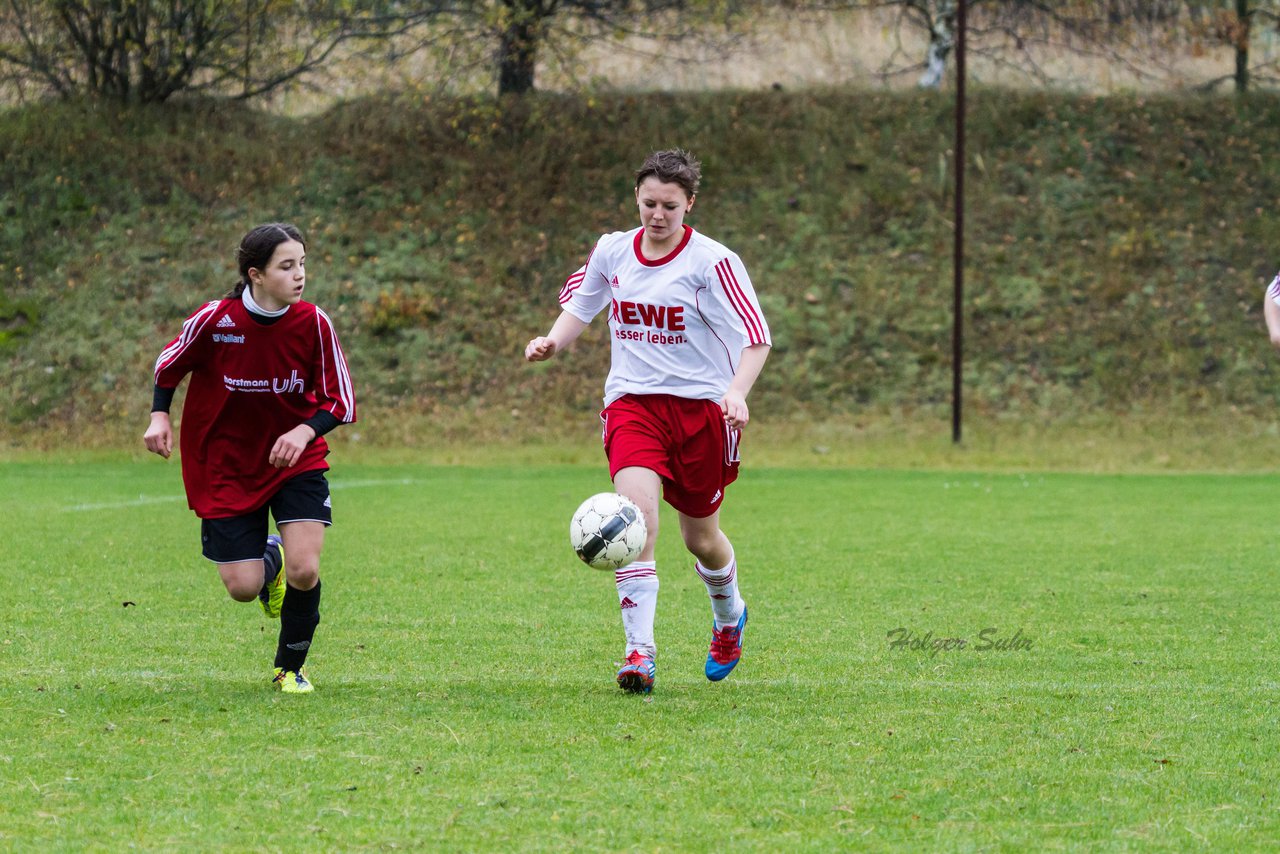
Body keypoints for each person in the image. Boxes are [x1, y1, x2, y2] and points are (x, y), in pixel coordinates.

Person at [525, 149, 772, 694]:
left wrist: (737, 393)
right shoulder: (613, 251)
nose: (657, 215)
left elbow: (757, 337)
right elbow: (582, 305)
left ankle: (729, 618)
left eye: (669, 206)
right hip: (633, 405)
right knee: (637, 519)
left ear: (689, 204)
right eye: (648, 203)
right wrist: (552, 341)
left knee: (700, 539)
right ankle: (640, 652)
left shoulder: (714, 263)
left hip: (702, 411)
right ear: (636, 198)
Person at [144, 223, 357, 694]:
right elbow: (168, 366)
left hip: (294, 463)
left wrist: (303, 431)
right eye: (287, 266)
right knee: (242, 587)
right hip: (226, 464)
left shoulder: (314, 323)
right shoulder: (215, 321)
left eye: (302, 263)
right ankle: (268, 561)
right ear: (255, 274)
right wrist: (160, 417)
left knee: (307, 569)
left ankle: (290, 667)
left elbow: (340, 400)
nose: (299, 275)